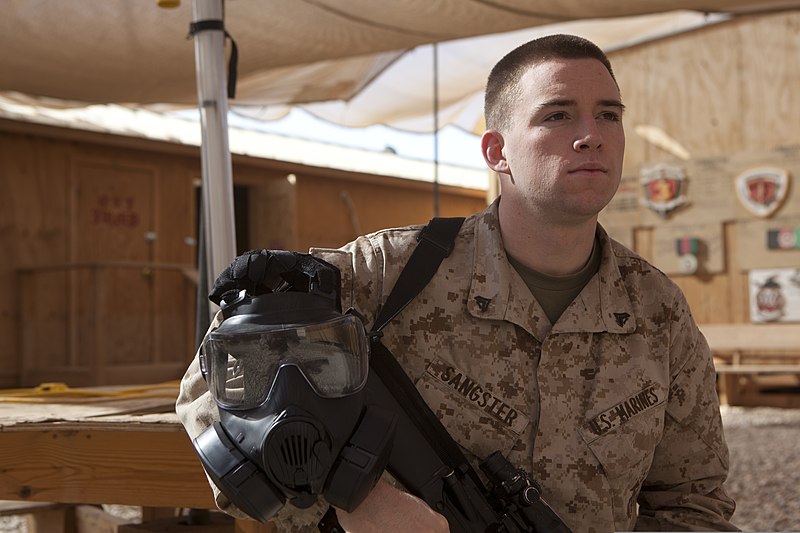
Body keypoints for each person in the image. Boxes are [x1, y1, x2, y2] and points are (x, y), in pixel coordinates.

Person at [177, 34, 738, 532]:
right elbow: (210, 385)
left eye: (608, 115)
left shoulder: (656, 309)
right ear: (498, 152)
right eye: (558, 116)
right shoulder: (389, 274)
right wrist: (355, 503)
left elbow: (693, 503)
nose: (590, 136)